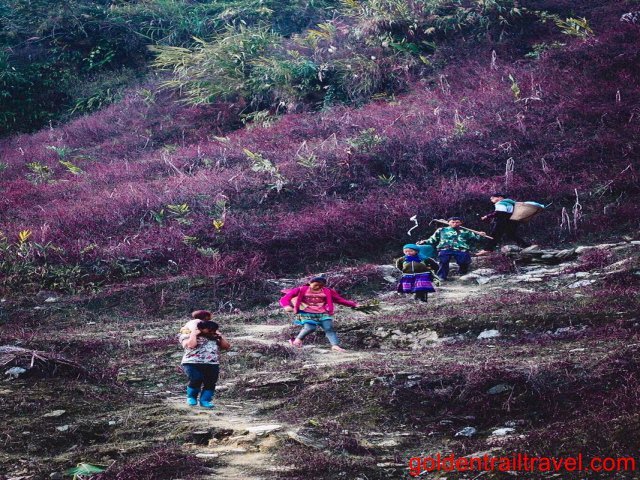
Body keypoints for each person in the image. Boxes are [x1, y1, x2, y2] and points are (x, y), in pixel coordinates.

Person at [280, 276, 358, 352]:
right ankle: (296, 341)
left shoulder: (327, 291)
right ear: (310, 283)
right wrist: (286, 306)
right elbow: (285, 298)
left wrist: (354, 304)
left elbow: (339, 300)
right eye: (316, 285)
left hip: (323, 313)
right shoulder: (301, 289)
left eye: (321, 286)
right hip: (306, 312)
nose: (318, 287)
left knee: (329, 328)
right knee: (310, 328)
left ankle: (335, 346)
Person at [179, 310, 230, 408]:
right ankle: (191, 397)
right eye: (209, 330)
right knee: (196, 378)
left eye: (213, 330)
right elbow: (191, 345)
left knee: (210, 382)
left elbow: (226, 346)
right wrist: (193, 334)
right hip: (192, 362)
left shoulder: (213, 336)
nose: (211, 332)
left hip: (212, 363)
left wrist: (220, 337)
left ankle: (205, 400)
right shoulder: (186, 335)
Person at [417, 217, 486, 280]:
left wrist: (481, 235)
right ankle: (441, 277)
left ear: (460, 223)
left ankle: (462, 273)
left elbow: (476, 238)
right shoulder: (442, 230)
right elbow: (433, 239)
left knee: (464, 261)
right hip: (445, 249)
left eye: (457, 222)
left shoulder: (466, 231)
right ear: (448, 223)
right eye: (453, 222)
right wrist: (424, 241)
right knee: (443, 262)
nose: (455, 224)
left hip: (461, 249)